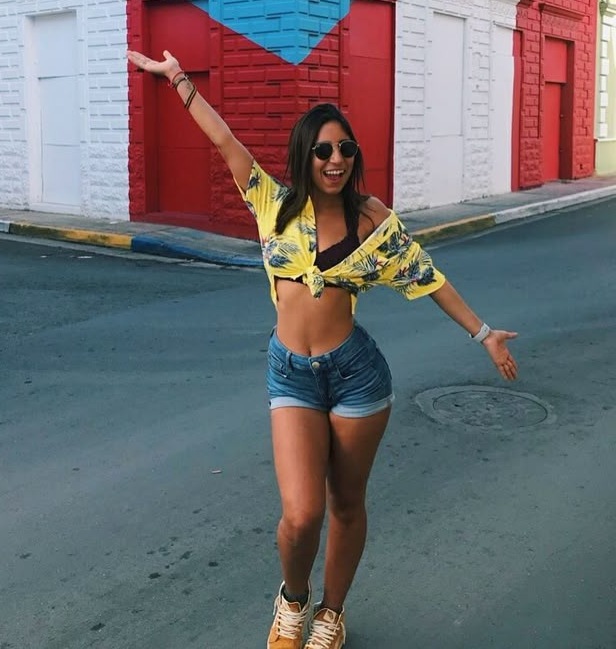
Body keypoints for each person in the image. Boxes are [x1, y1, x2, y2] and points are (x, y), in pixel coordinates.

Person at [127, 48, 519, 649]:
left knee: (345, 503)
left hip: (357, 376)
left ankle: (331, 617)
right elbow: (224, 137)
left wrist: (483, 332)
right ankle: (292, 599)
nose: (336, 160)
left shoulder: (373, 222)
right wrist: (176, 78)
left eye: (345, 150)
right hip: (292, 374)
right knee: (301, 513)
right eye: (323, 150)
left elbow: (427, 276)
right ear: (304, 155)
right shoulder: (272, 204)